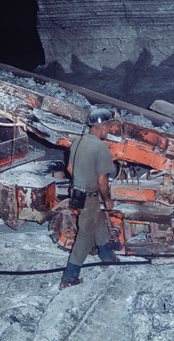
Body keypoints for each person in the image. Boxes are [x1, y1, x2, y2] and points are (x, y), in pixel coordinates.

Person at [59, 108, 119, 289]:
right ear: (102, 127)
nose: (109, 131)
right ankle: (69, 277)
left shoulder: (77, 141)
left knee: (98, 221)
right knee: (85, 236)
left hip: (77, 193)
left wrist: (82, 179)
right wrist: (107, 199)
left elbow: (69, 168)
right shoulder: (101, 147)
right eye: (109, 127)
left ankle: (107, 255)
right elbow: (102, 180)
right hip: (90, 196)